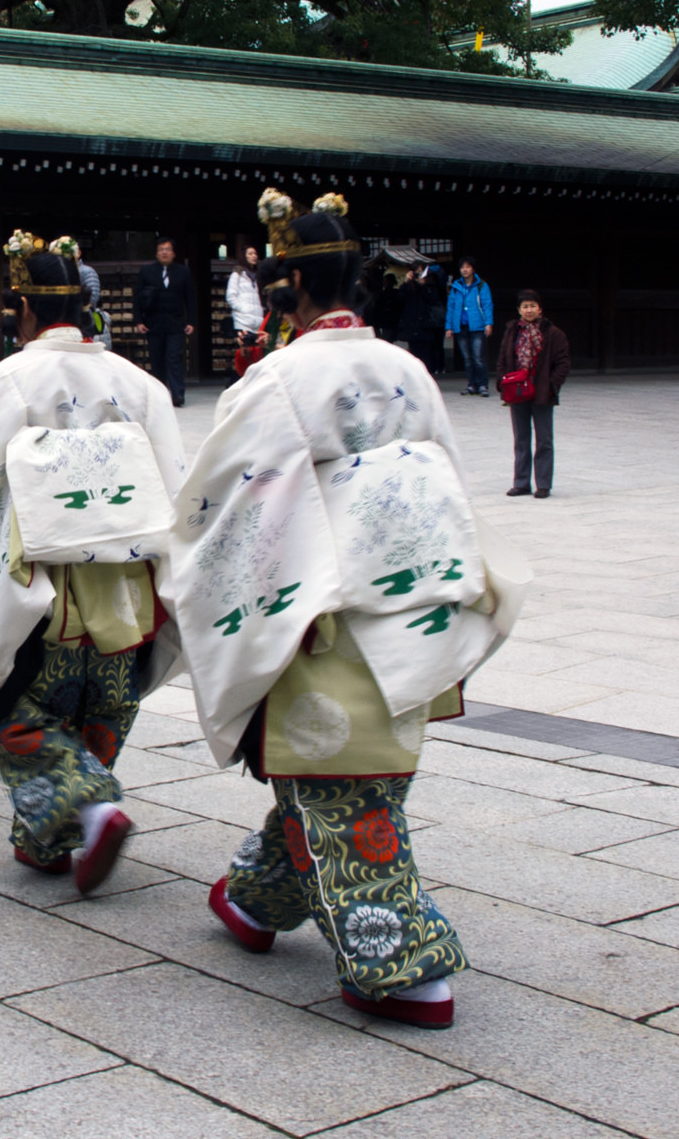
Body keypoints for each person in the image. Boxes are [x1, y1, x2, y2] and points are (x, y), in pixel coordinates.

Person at [163, 189, 524, 1032]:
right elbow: (454, 484)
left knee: (341, 776)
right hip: (411, 598)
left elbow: (227, 506)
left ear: (287, 287)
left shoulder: (279, 377)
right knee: (348, 765)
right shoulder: (407, 368)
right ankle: (257, 898)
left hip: (324, 609)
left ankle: (398, 961)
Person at [0, 233, 187, 893]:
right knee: (101, 703)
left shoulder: (5, 382)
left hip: (42, 581)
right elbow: (176, 488)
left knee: (7, 703)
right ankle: (47, 834)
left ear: (23, 310)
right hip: (125, 585)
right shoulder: (141, 386)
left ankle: (88, 808)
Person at [495, 290, 571, 498]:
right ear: (519, 310)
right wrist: (503, 382)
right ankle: (521, 482)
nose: (529, 310)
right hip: (517, 391)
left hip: (542, 393)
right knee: (521, 438)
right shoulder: (512, 331)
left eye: (532, 306)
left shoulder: (553, 333)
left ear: (540, 308)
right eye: (525, 306)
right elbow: (503, 358)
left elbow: (563, 362)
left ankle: (544, 484)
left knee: (544, 439)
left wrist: (552, 384)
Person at [134, 236, 196, 406]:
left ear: (173, 253)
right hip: (153, 322)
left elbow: (189, 298)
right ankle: (158, 395)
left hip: (175, 322)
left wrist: (191, 321)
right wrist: (139, 321)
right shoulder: (146, 272)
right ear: (156, 252)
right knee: (157, 360)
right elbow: (137, 298)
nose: (164, 252)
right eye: (161, 249)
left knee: (174, 358)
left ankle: (177, 394)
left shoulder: (183, 272)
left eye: (167, 249)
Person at [444, 257, 494, 396]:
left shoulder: (481, 285)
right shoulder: (456, 286)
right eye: (462, 267)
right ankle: (472, 384)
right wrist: (449, 327)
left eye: (467, 267)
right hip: (461, 326)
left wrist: (488, 323)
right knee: (467, 358)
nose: (464, 270)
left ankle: (482, 385)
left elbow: (487, 305)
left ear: (473, 269)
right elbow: (451, 307)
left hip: (477, 325)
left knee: (478, 357)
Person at [400, 266, 445, 375]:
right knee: (414, 355)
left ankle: (429, 375)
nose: (418, 275)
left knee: (427, 354)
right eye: (416, 273)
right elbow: (400, 299)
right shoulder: (408, 287)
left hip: (426, 325)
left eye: (420, 273)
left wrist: (423, 284)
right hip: (412, 326)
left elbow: (433, 299)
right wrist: (406, 282)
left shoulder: (431, 286)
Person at [226, 245, 267, 362]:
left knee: (257, 354)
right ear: (244, 256)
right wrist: (243, 309)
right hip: (243, 320)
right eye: (250, 254)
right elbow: (231, 296)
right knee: (244, 353)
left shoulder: (257, 275)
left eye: (255, 254)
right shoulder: (237, 274)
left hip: (257, 319)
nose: (254, 256)